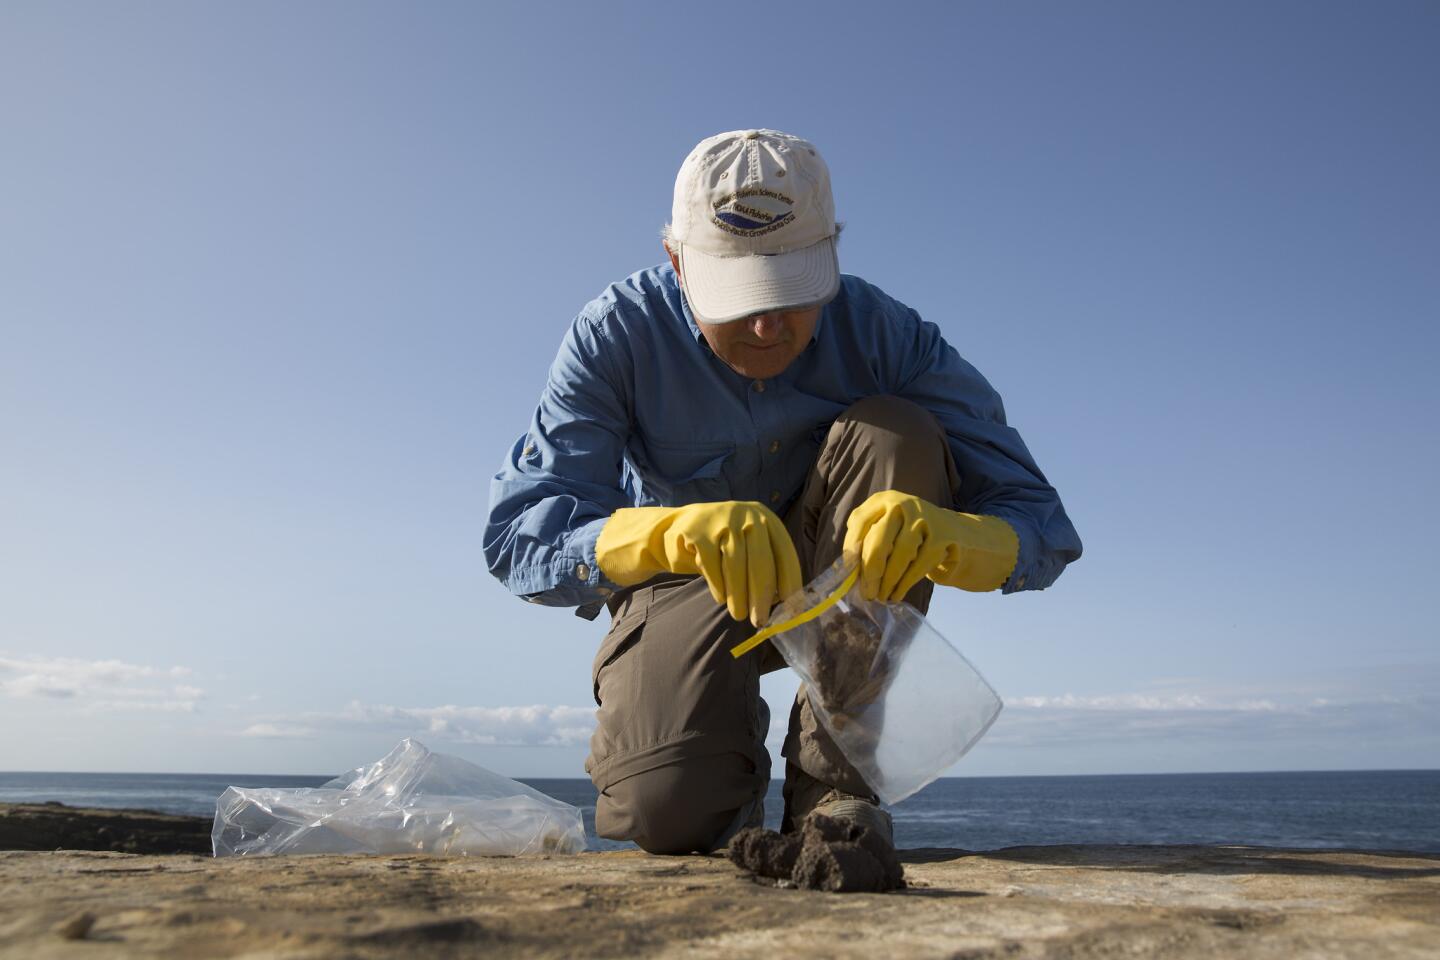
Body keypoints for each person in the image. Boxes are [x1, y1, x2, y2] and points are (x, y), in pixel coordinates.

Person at [485, 129, 1081, 855]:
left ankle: (835, 791)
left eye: (794, 293)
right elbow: (519, 534)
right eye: (737, 298)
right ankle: (715, 784)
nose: (767, 324)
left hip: (843, 583)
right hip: (686, 579)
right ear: (677, 261)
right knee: (667, 814)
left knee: (898, 434)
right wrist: (664, 534)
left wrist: (959, 538)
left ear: (833, 251)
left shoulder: (888, 336)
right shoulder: (617, 334)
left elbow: (1040, 521)